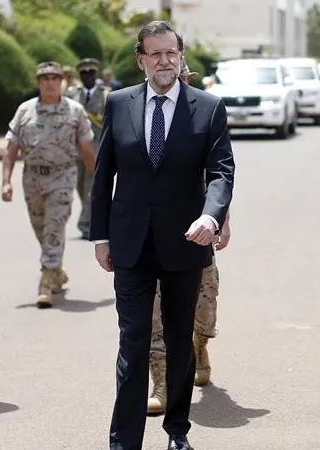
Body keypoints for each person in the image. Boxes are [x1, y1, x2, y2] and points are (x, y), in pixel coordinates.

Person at [90, 21, 234, 450]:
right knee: (132, 342)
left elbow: (222, 173)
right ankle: (123, 441)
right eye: (155, 54)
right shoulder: (118, 104)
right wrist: (100, 236)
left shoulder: (208, 107)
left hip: (186, 244)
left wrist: (212, 217)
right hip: (130, 244)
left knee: (177, 342)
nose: (164, 61)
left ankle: (177, 431)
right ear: (141, 60)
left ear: (181, 56)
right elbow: (103, 176)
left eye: (171, 53)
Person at [146, 58, 231, 415]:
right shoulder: (145, 112)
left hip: (198, 228)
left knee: (204, 303)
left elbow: (221, 175)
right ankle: (162, 383)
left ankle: (200, 344)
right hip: (153, 231)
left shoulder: (205, 113)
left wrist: (222, 221)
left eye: (181, 75)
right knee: (154, 310)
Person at [2, 62, 96, 308]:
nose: (50, 82)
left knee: (54, 227)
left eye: (55, 78)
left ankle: (45, 282)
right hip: (32, 177)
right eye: (45, 78)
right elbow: (11, 148)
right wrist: (6, 182)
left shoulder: (74, 111)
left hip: (62, 177)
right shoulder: (25, 110)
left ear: (62, 81)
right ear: (38, 82)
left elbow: (87, 149)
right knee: (41, 229)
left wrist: (98, 182)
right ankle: (57, 271)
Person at [66, 58, 110, 240]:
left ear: (96, 74)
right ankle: (90, 219)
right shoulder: (71, 94)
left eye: (91, 73)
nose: (88, 77)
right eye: (84, 74)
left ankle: (86, 225)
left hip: (96, 148)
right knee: (80, 187)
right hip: (76, 150)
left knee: (91, 187)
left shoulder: (106, 94)